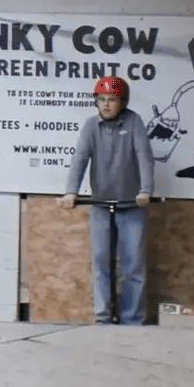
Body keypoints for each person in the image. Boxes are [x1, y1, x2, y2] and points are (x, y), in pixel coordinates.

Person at [60, 76, 154, 324]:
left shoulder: (134, 123)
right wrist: (71, 191)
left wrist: (145, 190)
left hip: (132, 206)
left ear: (123, 102)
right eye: (101, 100)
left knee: (132, 266)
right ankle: (103, 319)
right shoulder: (91, 126)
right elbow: (80, 158)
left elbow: (145, 158)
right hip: (101, 205)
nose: (106, 105)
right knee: (101, 264)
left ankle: (132, 319)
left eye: (112, 100)